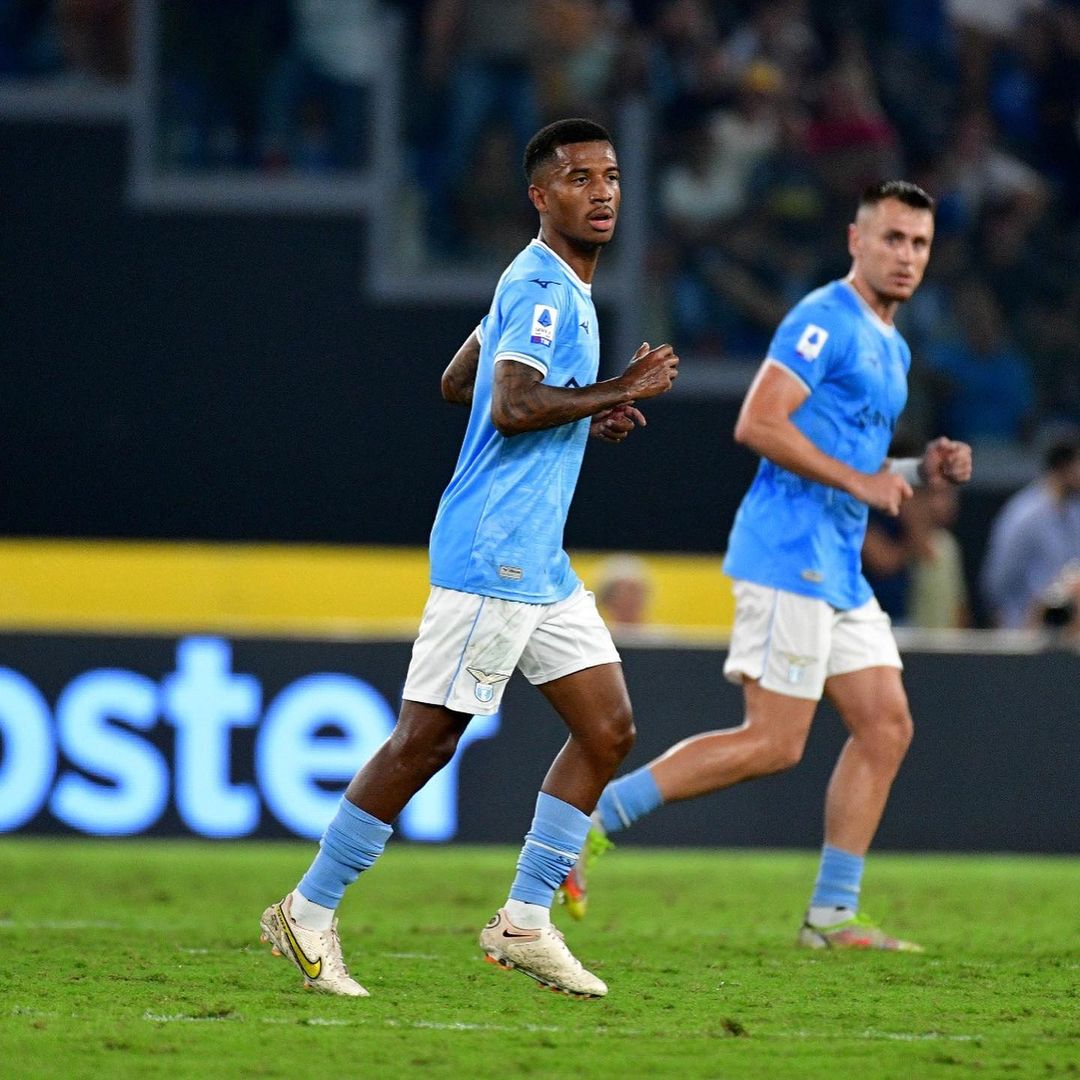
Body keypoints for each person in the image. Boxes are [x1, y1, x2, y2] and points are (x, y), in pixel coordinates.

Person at [259, 118, 680, 999]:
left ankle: (523, 921)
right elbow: (511, 406)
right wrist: (618, 388)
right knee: (427, 740)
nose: (601, 192)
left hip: (539, 559)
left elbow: (462, 382)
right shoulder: (543, 285)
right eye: (578, 179)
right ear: (540, 196)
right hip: (496, 552)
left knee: (608, 728)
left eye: (609, 176)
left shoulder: (543, 282)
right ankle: (307, 908)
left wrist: (584, 414)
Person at [558, 181, 973, 951]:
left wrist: (921, 469)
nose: (907, 255)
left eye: (919, 243)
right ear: (856, 241)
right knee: (775, 742)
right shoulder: (824, 319)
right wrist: (863, 483)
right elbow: (758, 422)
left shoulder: (893, 345)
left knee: (886, 726)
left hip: (837, 564)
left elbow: (855, 462)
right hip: (788, 552)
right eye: (892, 238)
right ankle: (587, 822)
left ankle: (832, 917)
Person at [980, 437, 1080, 630]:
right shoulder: (1023, 515)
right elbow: (997, 583)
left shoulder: (1075, 514)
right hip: (1022, 633)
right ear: (1064, 466)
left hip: (1068, 634)